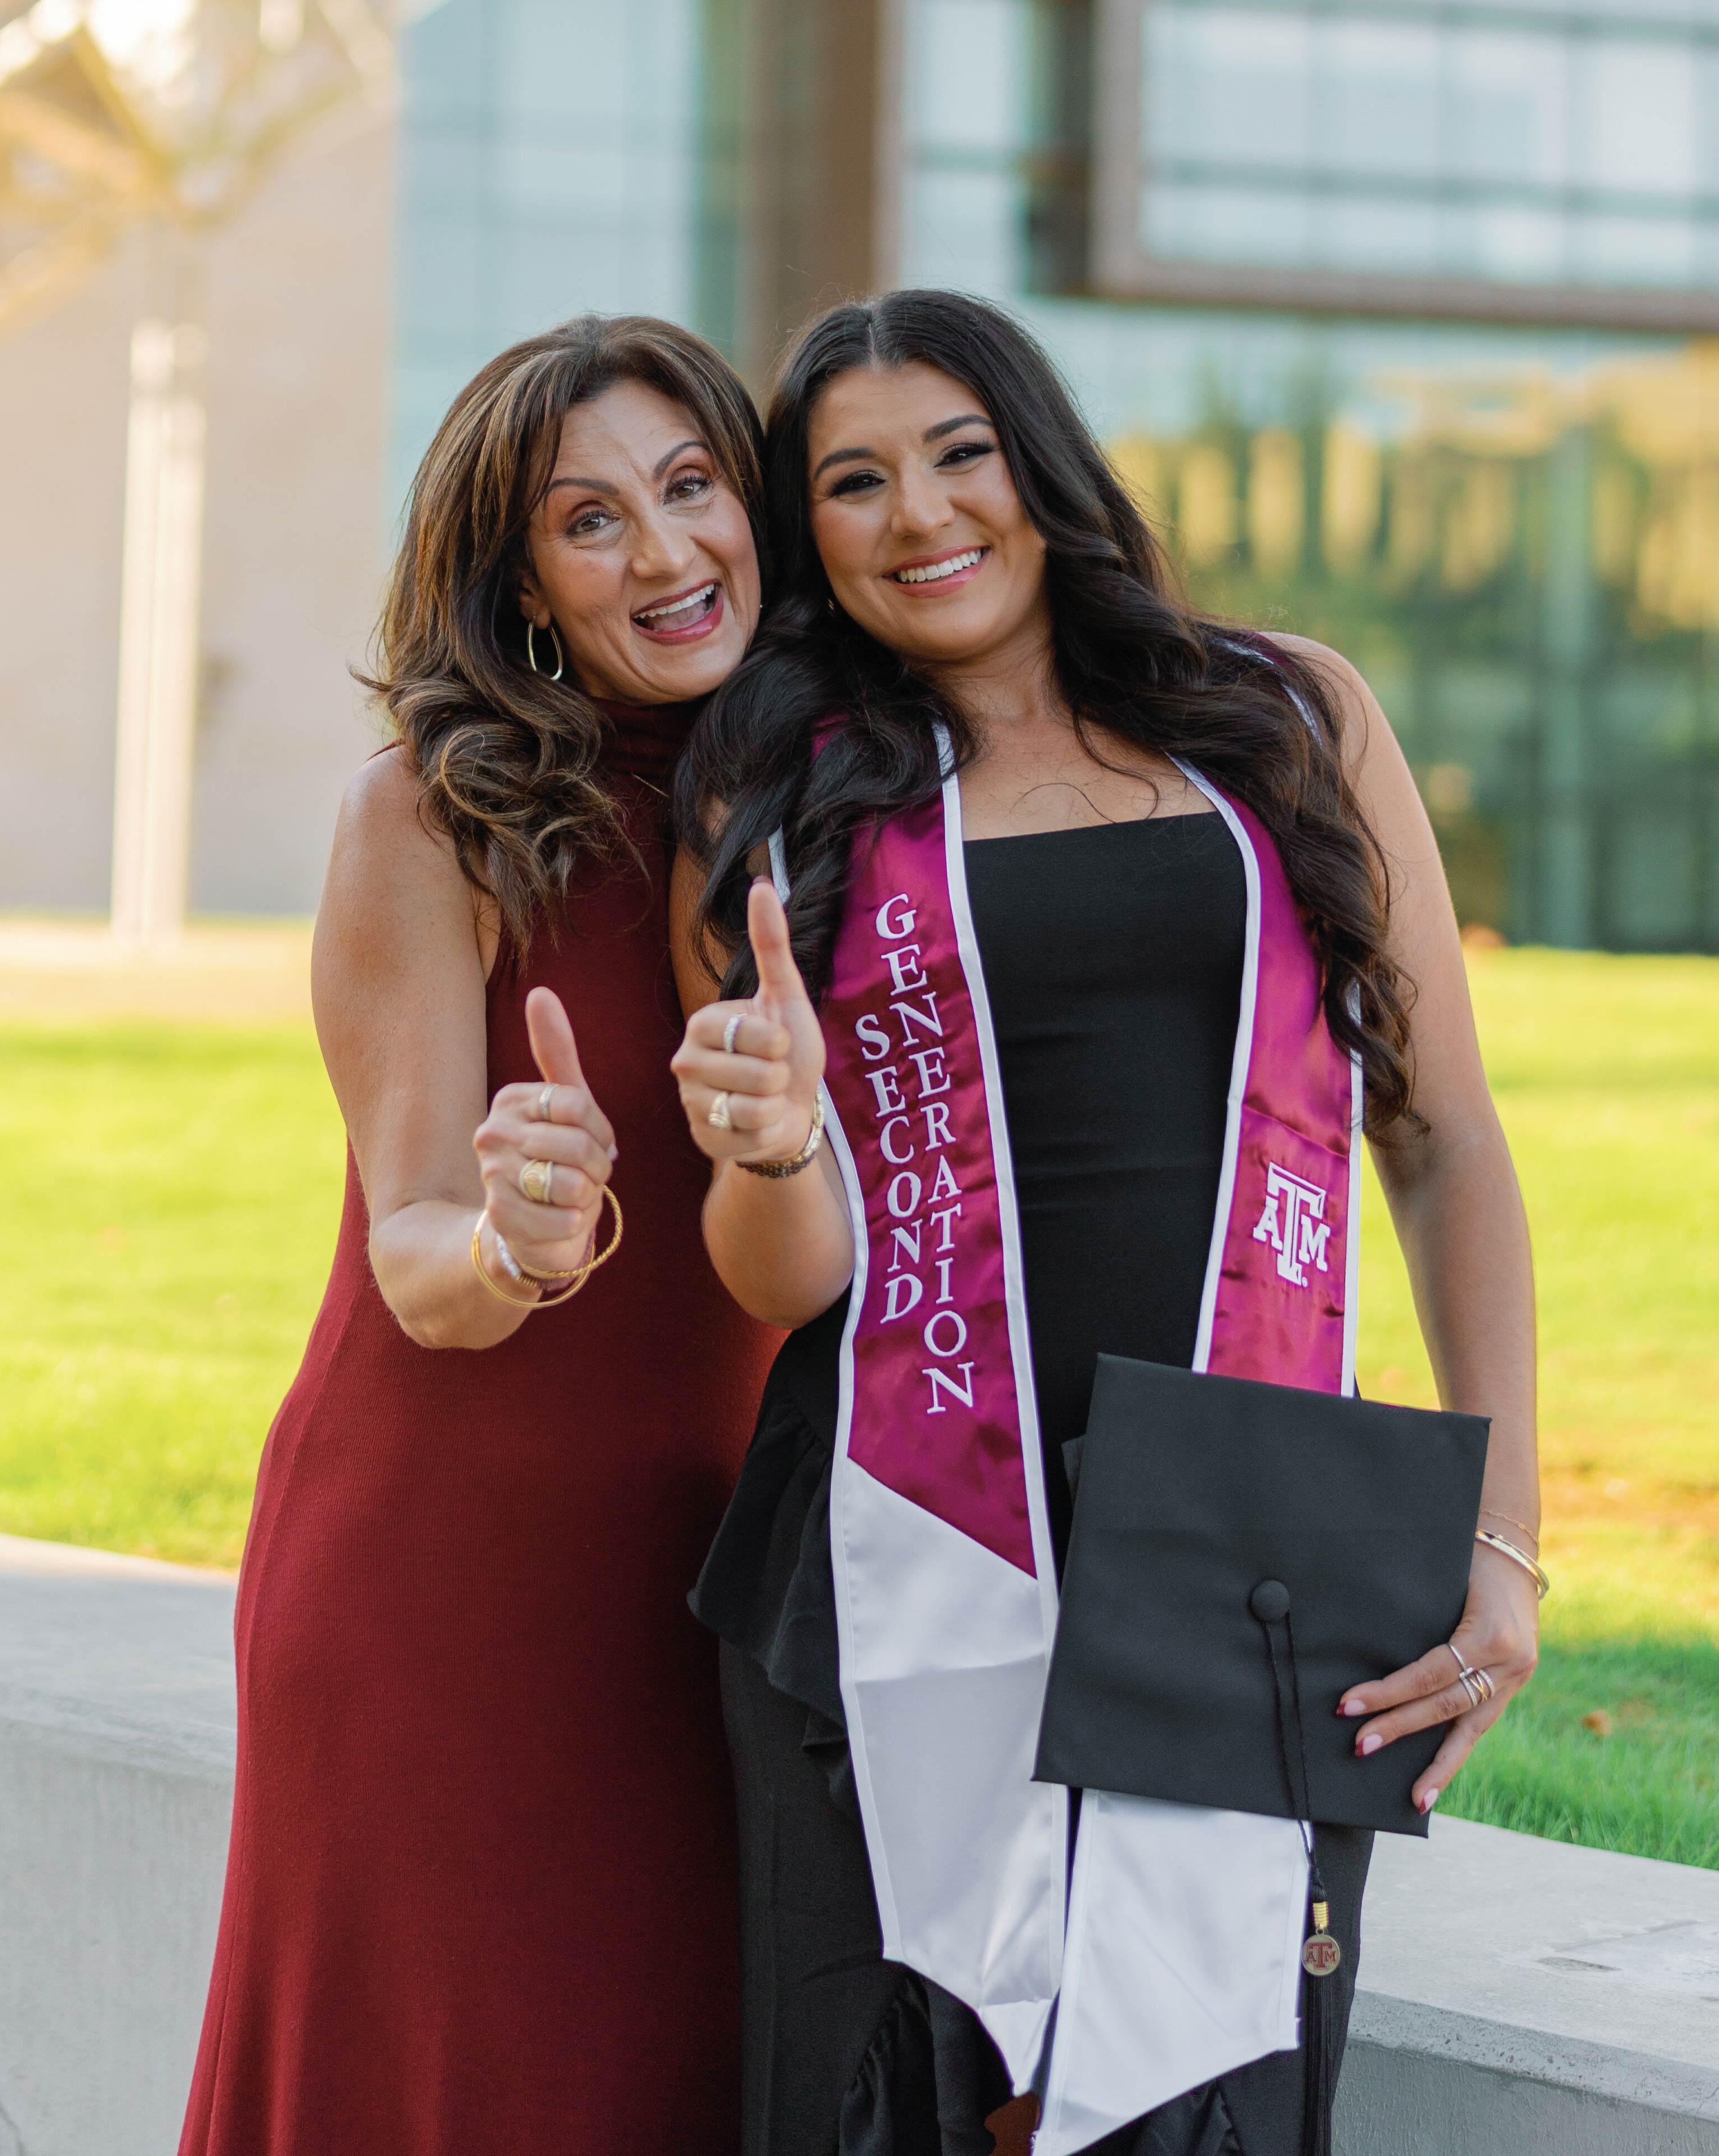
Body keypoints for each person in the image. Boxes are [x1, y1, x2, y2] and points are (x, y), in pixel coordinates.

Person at [667, 291, 1542, 2156]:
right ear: (809, 533)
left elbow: (1443, 1134)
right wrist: (766, 1146)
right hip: (894, 1546)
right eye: (853, 481)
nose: (920, 512)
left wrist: (1501, 1541)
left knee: (1210, 2101)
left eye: (959, 452)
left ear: (1042, 462)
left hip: (1246, 1553)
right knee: (877, 2107)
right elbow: (782, 1275)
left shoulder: (1287, 718)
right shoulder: (782, 799)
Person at [178, 316, 779, 2156]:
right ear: (519, 582)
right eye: (590, 521)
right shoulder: (429, 817)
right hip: (451, 1592)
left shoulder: (835, 800)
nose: (665, 552)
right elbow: (416, 1245)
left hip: (732, 1585)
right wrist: (517, 1236)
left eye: (690, 486)